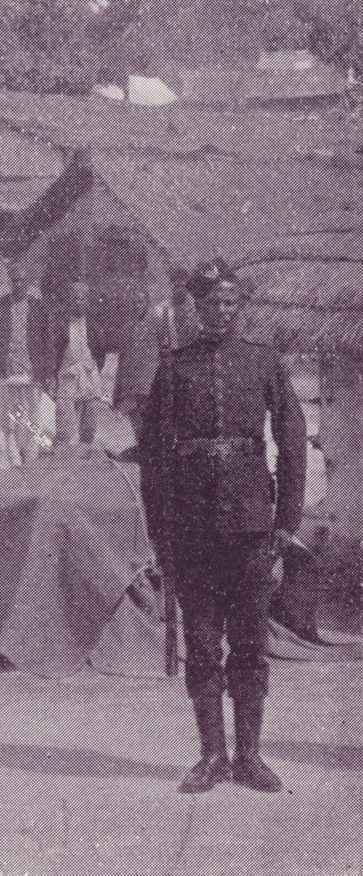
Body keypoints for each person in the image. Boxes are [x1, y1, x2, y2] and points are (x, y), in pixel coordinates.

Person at [139, 259, 306, 794]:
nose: (222, 312)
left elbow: (293, 440)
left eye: (231, 304)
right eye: (213, 304)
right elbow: (153, 458)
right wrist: (161, 532)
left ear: (241, 308)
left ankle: (250, 756)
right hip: (191, 529)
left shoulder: (264, 364)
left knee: (250, 642)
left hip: (252, 527)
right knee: (203, 642)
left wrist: (286, 521)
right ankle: (211, 755)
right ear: (197, 308)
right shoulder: (174, 368)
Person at [114, 268, 200, 438]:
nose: (137, 305)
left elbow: (171, 345)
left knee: (152, 422)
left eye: (140, 301)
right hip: (132, 382)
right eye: (133, 302)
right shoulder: (128, 326)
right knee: (136, 422)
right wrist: (118, 388)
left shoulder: (161, 316)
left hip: (151, 379)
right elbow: (122, 359)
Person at [0, 262, 52, 466]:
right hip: (7, 371)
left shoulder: (39, 308)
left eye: (23, 280)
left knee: (33, 416)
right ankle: (14, 458)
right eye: (15, 280)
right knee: (9, 417)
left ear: (29, 283)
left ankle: (30, 458)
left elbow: (48, 341)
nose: (19, 284)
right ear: (10, 281)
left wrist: (47, 372)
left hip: (32, 371)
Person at [50, 280, 107, 448]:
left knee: (89, 424)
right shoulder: (61, 324)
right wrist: (54, 377)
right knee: (64, 424)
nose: (78, 302)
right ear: (69, 300)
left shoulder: (94, 327)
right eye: (75, 298)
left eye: (82, 298)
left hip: (89, 377)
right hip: (67, 376)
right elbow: (54, 352)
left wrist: (92, 369)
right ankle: (62, 457)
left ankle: (85, 457)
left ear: (87, 301)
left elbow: (100, 355)